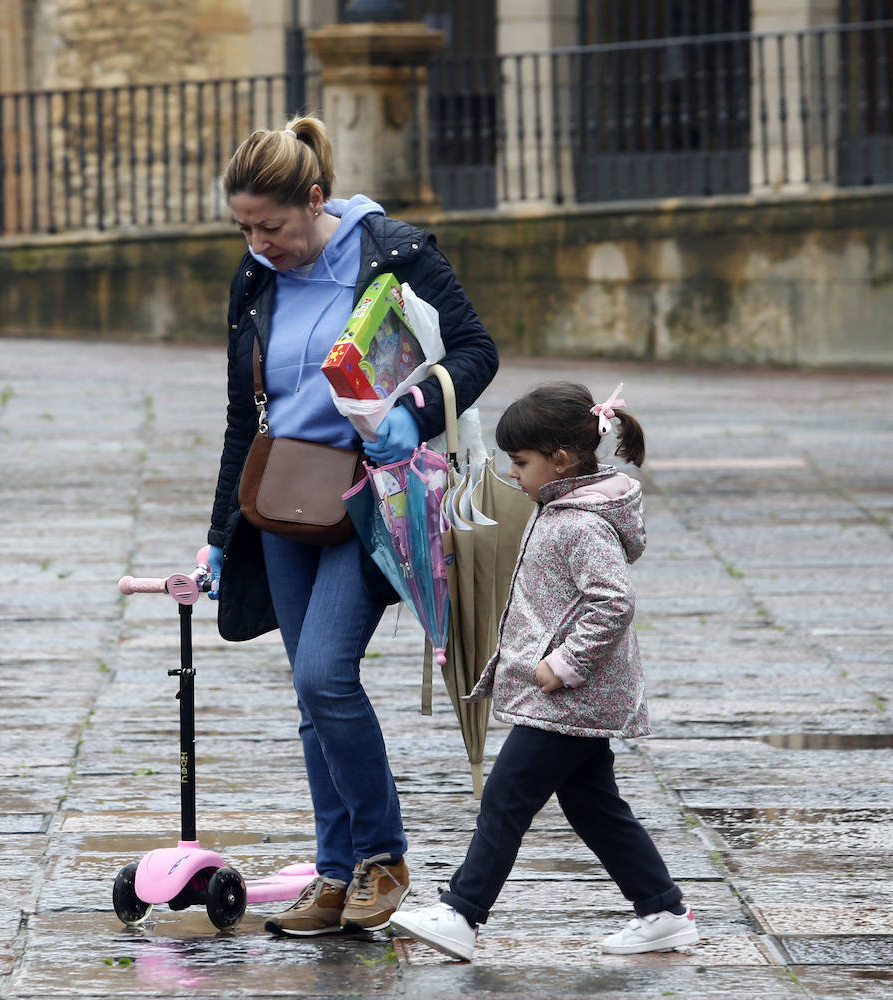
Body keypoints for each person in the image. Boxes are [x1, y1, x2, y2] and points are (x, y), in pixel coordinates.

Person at [205, 114, 498, 937]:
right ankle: (333, 876)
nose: (259, 243)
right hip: (283, 499)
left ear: (316, 199)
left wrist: (412, 406)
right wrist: (222, 534)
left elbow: (477, 350)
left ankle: (381, 855)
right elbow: (243, 415)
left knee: (323, 677)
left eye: (271, 225)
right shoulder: (256, 278)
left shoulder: (394, 252)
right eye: (243, 228)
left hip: (375, 495)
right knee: (311, 698)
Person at [390, 381, 701, 960]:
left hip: (569, 696)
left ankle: (462, 911)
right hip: (571, 697)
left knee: (506, 797)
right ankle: (662, 909)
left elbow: (613, 600)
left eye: (521, 461)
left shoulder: (580, 522)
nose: (513, 474)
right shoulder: (560, 505)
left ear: (560, 460)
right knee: (594, 806)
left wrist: (564, 664)